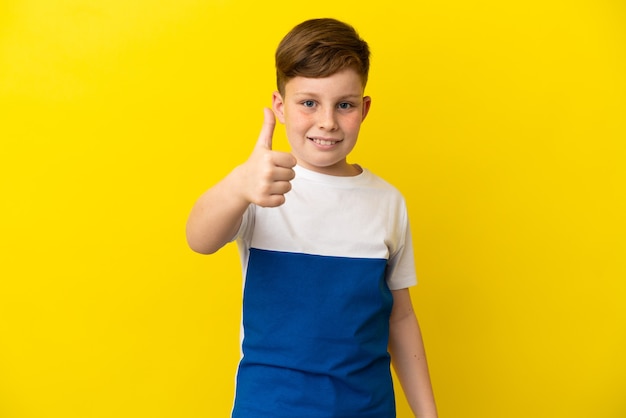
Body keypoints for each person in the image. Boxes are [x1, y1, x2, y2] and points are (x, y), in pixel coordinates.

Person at [186, 18, 438, 418]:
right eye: (309, 102)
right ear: (281, 108)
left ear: (364, 108)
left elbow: (401, 316)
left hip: (366, 407)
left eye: (344, 104)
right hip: (269, 407)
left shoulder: (387, 202)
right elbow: (198, 238)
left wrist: (427, 414)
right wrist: (237, 186)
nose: (327, 122)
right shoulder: (260, 186)